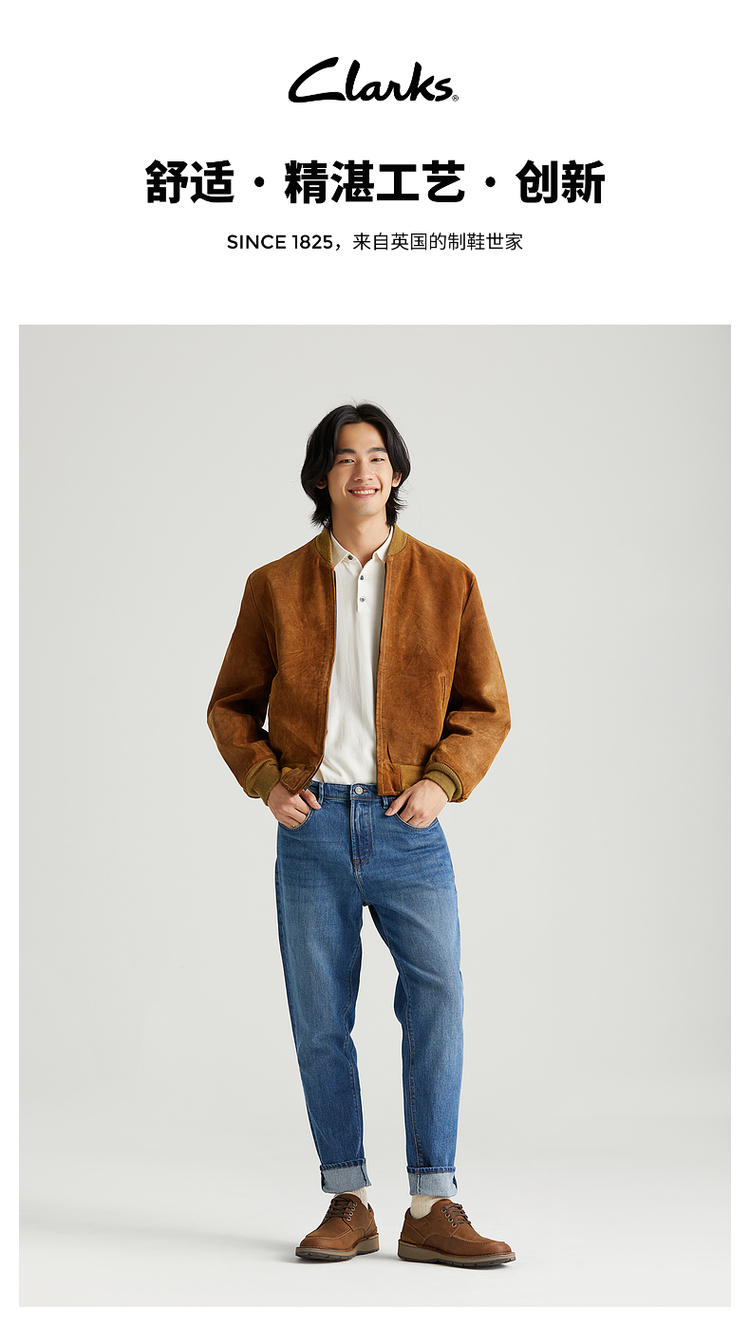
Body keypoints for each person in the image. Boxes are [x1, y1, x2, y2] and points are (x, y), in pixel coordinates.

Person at [207, 402, 515, 1269]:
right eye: (345, 458)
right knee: (320, 1019)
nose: (363, 471)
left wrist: (441, 780)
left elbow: (486, 706)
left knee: (438, 1001)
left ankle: (433, 1203)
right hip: (312, 831)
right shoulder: (275, 586)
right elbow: (231, 704)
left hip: (407, 827)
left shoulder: (449, 581)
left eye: (377, 456)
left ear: (397, 473)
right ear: (322, 476)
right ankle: (348, 1200)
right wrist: (267, 781)